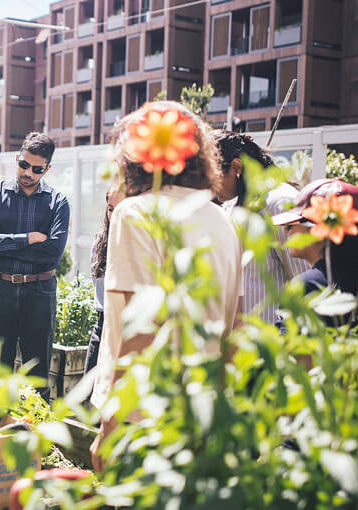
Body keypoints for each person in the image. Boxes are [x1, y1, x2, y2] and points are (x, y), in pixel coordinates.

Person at [89, 101, 243, 469]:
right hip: (201, 412)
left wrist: (109, 427)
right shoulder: (222, 219)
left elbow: (142, 329)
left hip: (142, 417)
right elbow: (234, 328)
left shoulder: (136, 213)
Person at [0, 132, 70, 400]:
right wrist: (27, 239)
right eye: (24, 165)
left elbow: (53, 253)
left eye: (37, 169)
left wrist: (4, 246)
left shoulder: (57, 202)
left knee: (37, 375)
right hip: (0, 289)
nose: (28, 172)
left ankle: (35, 438)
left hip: (39, 292)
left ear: (47, 169)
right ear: (17, 158)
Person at [213, 130, 309, 323]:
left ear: (236, 167)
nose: (208, 185)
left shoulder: (279, 202)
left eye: (212, 175)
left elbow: (306, 280)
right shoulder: (233, 205)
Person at [271, 178, 358, 325]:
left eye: (290, 226)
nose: (285, 231)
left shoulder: (305, 287)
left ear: (318, 228)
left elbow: (287, 346)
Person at [84, 184, 124, 374]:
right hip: (103, 324)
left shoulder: (140, 244)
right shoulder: (101, 241)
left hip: (127, 329)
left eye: (121, 209)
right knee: (88, 392)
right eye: (110, 209)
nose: (114, 215)